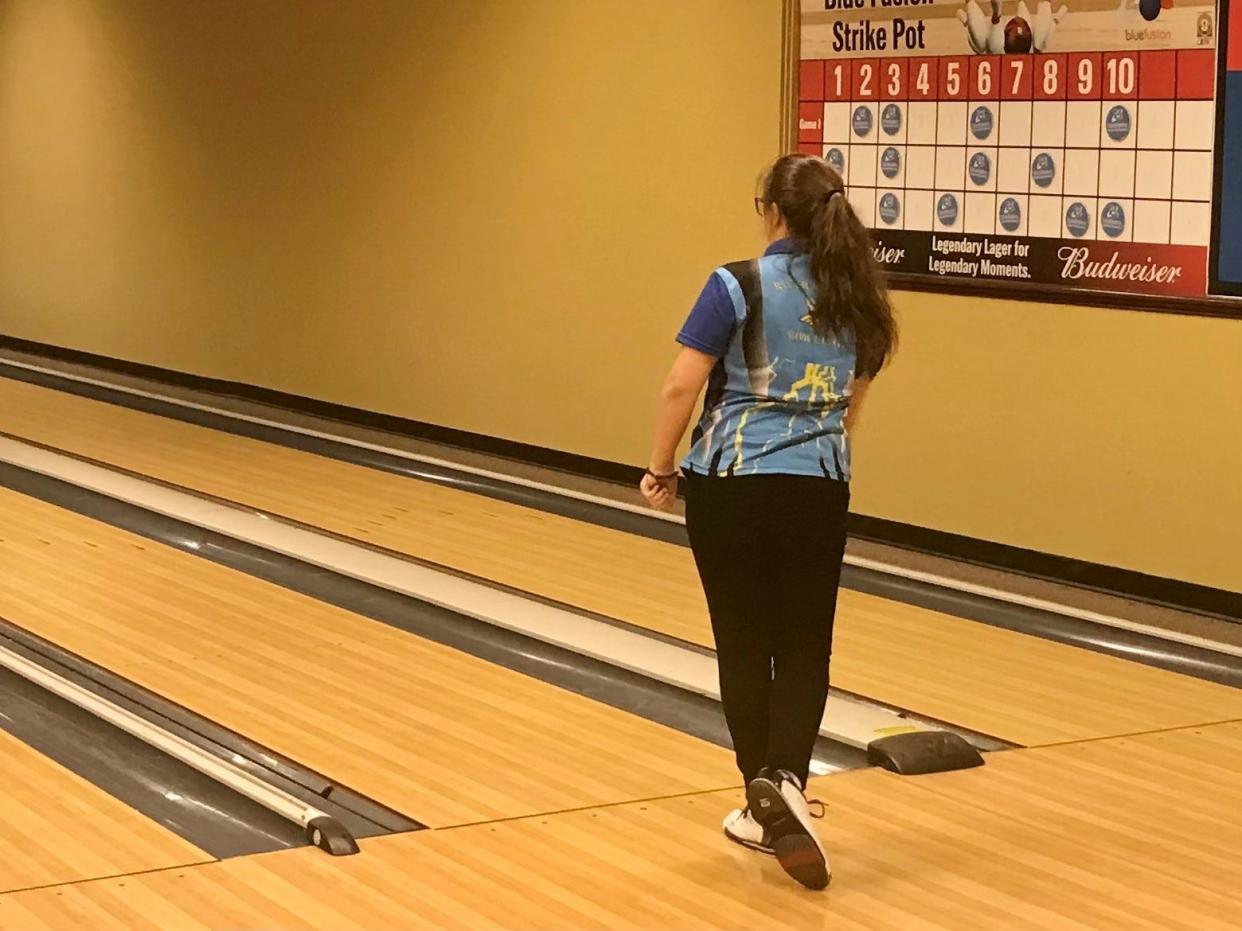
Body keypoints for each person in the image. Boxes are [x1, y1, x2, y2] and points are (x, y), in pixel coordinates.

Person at [639, 152, 897, 891]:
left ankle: (763, 796)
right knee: (806, 642)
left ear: (771, 212)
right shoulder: (862, 298)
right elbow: (850, 410)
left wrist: (661, 469)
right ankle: (784, 782)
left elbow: (680, 384)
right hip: (818, 487)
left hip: (731, 485)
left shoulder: (737, 283)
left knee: (744, 641)